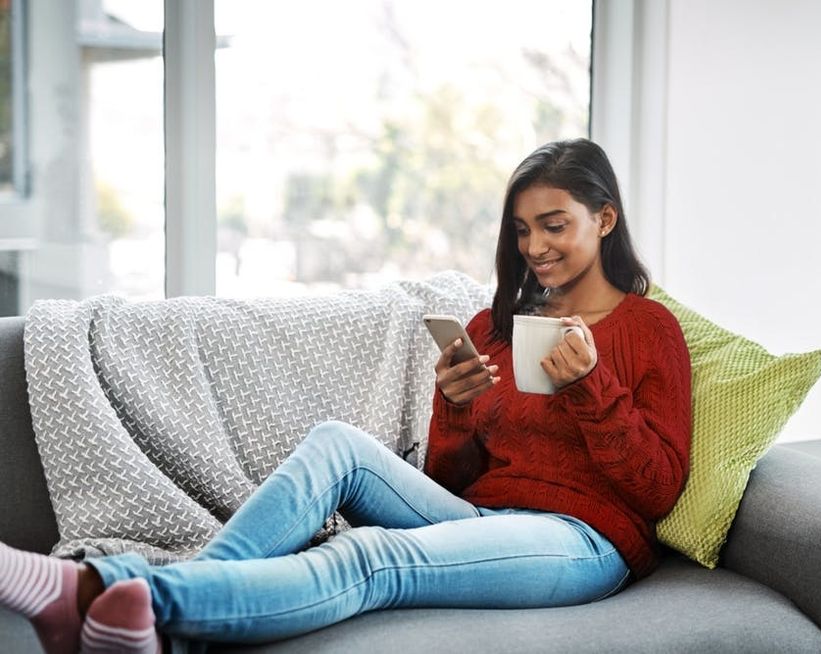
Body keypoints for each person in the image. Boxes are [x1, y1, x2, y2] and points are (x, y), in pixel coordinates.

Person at [0, 138, 692, 654]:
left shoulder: (647, 329)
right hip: (482, 511)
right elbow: (452, 481)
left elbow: (657, 491)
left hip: (583, 539)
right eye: (521, 229)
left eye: (554, 224)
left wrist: (590, 387)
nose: (535, 246)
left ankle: (110, 592)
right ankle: (170, 612)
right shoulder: (497, 326)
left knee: (371, 557)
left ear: (604, 221)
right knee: (338, 445)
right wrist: (453, 407)